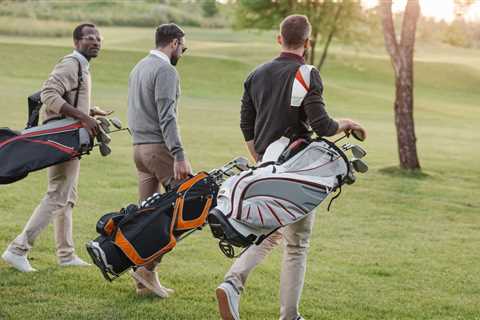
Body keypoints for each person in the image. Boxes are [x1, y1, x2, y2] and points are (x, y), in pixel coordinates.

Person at [215, 15, 367, 320]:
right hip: (298, 168)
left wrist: (262, 161)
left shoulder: (255, 74)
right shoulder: (307, 73)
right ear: (308, 43)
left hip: (268, 164)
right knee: (296, 243)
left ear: (279, 39)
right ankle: (286, 313)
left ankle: (233, 284)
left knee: (270, 233)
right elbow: (323, 126)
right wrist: (347, 124)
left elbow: (247, 125)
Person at [2, 23, 111, 272]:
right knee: (58, 195)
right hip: (63, 138)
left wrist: (90, 111)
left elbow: (67, 99)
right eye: (89, 38)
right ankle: (18, 249)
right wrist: (84, 118)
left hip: (71, 137)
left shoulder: (83, 66)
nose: (96, 42)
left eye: (99, 39)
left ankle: (65, 254)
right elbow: (49, 95)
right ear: (76, 42)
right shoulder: (71, 63)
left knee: (67, 196)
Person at [127, 23, 192, 298]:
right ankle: (147, 268)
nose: (183, 53)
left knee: (147, 216)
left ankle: (144, 278)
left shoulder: (139, 66)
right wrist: (179, 154)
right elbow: (167, 116)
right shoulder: (166, 70)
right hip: (159, 150)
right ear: (174, 43)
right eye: (184, 47)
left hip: (139, 150)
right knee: (190, 207)